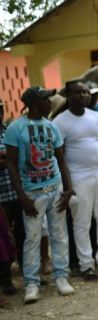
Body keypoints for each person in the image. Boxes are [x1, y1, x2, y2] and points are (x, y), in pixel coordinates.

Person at [4, 87, 76, 303]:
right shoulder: (16, 128)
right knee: (33, 238)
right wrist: (22, 197)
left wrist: (68, 188)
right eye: (46, 99)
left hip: (54, 188)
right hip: (32, 192)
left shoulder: (51, 126)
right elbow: (11, 164)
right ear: (36, 103)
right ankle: (32, 283)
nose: (50, 102)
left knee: (59, 234)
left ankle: (61, 277)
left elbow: (61, 160)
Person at [54, 80, 98, 280]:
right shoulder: (60, 122)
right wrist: (67, 186)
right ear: (68, 95)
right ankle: (86, 265)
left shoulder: (97, 117)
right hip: (77, 176)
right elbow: (59, 157)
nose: (84, 95)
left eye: (86, 92)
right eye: (79, 92)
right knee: (82, 222)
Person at [0, 100, 22, 295]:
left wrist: (6, 157)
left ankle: (26, 272)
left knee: (21, 234)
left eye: (0, 109)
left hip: (16, 191)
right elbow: (13, 157)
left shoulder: (9, 130)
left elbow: (19, 155)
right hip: (1, 196)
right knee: (4, 238)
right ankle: (5, 279)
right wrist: (10, 156)